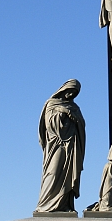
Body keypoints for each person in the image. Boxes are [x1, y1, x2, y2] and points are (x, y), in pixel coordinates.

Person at [34, 79, 86, 213]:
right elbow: (50, 125)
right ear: (64, 89)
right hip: (56, 144)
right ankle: (45, 205)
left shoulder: (75, 107)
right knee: (53, 172)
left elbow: (81, 125)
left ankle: (64, 205)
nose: (71, 96)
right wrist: (62, 113)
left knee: (67, 176)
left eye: (75, 93)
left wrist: (75, 118)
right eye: (70, 92)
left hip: (70, 146)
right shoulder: (51, 104)